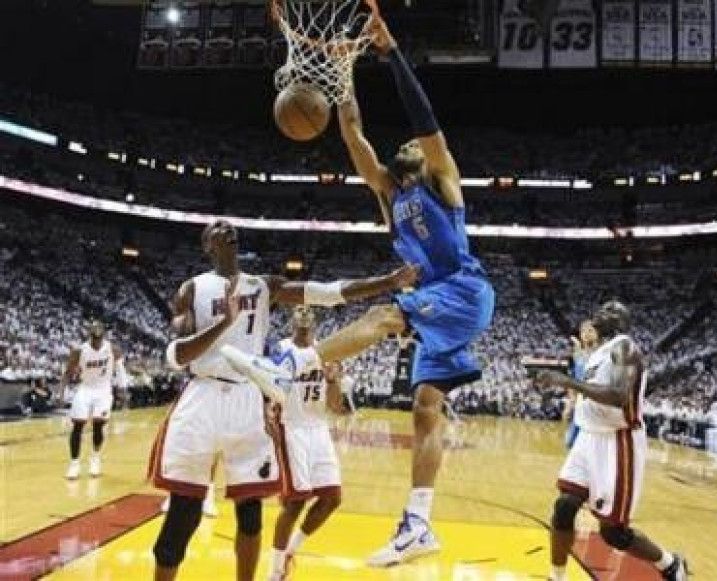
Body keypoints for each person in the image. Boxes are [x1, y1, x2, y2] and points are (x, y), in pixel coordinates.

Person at [225, 14, 494, 568]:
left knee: (384, 319)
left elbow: (424, 121)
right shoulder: (388, 195)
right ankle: (418, 522)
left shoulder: (442, 177)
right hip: (441, 306)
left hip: (462, 291)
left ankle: (295, 366)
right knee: (425, 409)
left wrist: (390, 51)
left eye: (413, 146)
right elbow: (353, 135)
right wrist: (343, 75)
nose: (408, 146)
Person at [149, 219, 417, 581]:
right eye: (216, 227)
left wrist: (388, 282)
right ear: (207, 245)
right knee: (184, 512)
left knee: (251, 513)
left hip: (247, 397)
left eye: (229, 226)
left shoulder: (263, 287)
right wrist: (222, 324)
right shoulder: (192, 288)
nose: (225, 227)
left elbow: (329, 292)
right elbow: (178, 353)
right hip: (204, 395)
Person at [537, 301, 688, 581]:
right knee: (564, 506)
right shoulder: (598, 354)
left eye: (608, 310)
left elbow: (618, 395)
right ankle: (556, 576)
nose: (598, 313)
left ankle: (670, 564)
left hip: (617, 442)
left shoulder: (625, 347)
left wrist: (568, 382)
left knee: (613, 533)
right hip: (588, 437)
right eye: (599, 309)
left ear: (621, 320)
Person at [269, 306, 345, 581]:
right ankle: (275, 572)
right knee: (295, 503)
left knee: (332, 499)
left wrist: (334, 379)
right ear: (293, 322)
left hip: (318, 428)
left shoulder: (329, 352)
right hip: (292, 428)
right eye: (299, 315)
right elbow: (268, 390)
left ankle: (291, 550)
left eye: (308, 317)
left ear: (315, 324)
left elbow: (336, 406)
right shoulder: (279, 349)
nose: (303, 320)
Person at [59, 320, 126, 480]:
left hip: (103, 390)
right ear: (89, 336)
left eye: (99, 337)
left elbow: (121, 370)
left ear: (103, 336)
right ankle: (74, 463)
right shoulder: (79, 350)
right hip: (85, 388)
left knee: (98, 426)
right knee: (78, 425)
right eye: (94, 337)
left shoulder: (112, 349)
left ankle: (95, 458)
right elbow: (67, 373)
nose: (96, 340)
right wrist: (61, 393)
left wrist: (122, 389)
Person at [563, 319, 599, 449]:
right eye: (583, 331)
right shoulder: (577, 355)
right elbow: (572, 382)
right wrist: (570, 404)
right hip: (580, 405)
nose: (586, 334)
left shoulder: (602, 354)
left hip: (596, 405)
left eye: (590, 330)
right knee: (570, 442)